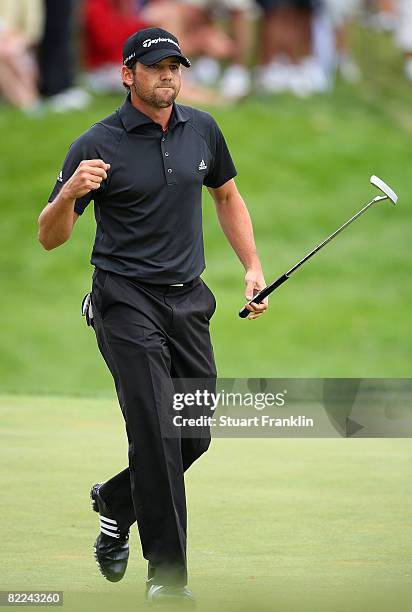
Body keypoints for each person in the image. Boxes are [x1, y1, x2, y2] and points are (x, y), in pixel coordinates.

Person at [37, 26, 267, 606]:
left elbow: (227, 197)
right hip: (125, 301)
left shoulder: (204, 130)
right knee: (158, 434)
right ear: (127, 74)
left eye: (176, 65)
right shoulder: (96, 144)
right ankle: (167, 577)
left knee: (193, 436)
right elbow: (49, 238)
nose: (168, 74)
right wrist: (67, 197)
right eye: (156, 65)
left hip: (189, 301)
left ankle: (118, 500)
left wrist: (252, 268)